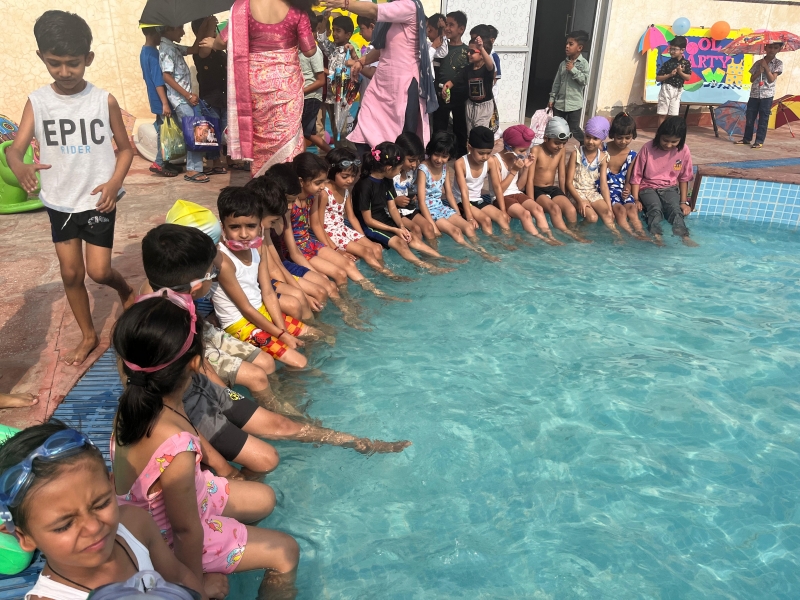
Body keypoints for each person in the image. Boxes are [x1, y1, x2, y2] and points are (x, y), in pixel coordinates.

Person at [111, 297, 300, 596]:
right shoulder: (177, 447)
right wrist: (196, 584)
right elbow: (185, 531)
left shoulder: (134, 403)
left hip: (176, 505)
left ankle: (229, 549)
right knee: (286, 551)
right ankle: (215, 561)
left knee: (265, 498)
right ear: (196, 362)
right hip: (166, 539)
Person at [7, 10, 135, 366]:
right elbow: (15, 149)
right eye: (54, 63)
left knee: (99, 271)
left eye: (73, 63)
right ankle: (89, 335)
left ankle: (125, 289)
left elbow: (125, 149)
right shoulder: (38, 101)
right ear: (41, 57)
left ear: (88, 58)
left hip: (98, 201)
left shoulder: (103, 100)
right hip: (60, 203)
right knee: (71, 273)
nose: (64, 72)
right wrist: (19, 165)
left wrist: (114, 183)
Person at [0, 421, 211, 600]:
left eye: (100, 504)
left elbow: (179, 576)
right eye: (64, 525)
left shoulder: (136, 525)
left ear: (112, 486)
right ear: (24, 537)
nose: (93, 527)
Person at [206, 0, 317, 176]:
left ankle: (261, 181)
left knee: (260, 137)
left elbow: (222, 42)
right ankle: (287, 181)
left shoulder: (243, 7)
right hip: (286, 84)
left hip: (255, 83)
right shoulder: (297, 8)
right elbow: (309, 50)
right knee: (287, 135)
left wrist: (213, 43)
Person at [213, 187, 320, 369]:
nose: (244, 234)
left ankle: (289, 370)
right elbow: (245, 308)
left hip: (260, 310)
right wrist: (281, 335)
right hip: (240, 323)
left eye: (251, 226)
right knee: (300, 363)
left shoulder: (259, 247)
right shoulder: (223, 259)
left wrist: (283, 331)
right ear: (223, 227)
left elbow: (268, 293)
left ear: (260, 226)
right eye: (235, 227)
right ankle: (285, 382)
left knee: (318, 336)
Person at [248, 167, 368, 328]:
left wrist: (314, 275)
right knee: (319, 291)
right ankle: (317, 325)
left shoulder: (279, 217)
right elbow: (275, 268)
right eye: (289, 201)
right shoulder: (265, 225)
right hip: (276, 271)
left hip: (284, 264)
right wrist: (302, 293)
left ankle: (346, 312)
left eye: (292, 201)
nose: (291, 206)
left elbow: (288, 256)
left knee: (328, 284)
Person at [323, 0, 439, 150]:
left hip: (402, 85)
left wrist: (344, 4)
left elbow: (373, 10)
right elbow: (383, 49)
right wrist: (361, 61)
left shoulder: (409, 6)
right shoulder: (392, 17)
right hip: (381, 84)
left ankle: (399, 164)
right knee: (366, 128)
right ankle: (375, 163)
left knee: (401, 138)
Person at [283, 156, 398, 298]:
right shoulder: (290, 205)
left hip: (309, 243)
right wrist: (334, 250)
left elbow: (316, 225)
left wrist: (334, 250)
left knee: (348, 266)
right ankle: (346, 306)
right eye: (318, 183)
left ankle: (377, 292)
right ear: (301, 181)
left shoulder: (312, 197)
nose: (322, 187)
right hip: (296, 249)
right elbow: (294, 245)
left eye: (323, 181)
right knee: (339, 274)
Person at [353, 142, 454, 273]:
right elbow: (368, 220)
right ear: (388, 168)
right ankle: (429, 268)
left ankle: (442, 258)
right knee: (400, 243)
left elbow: (392, 208)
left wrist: (401, 227)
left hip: (383, 218)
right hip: (370, 226)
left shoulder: (386, 179)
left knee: (411, 237)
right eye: (399, 168)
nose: (399, 172)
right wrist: (394, 229)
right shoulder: (365, 186)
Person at [417, 132, 499, 261]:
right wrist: (432, 225)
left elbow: (449, 194)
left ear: (449, 156)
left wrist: (458, 215)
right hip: (428, 210)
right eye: (436, 154)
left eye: (444, 156)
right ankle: (439, 258)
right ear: (430, 150)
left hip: (440, 207)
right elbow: (421, 201)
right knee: (455, 231)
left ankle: (482, 252)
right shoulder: (423, 169)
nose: (439, 159)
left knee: (468, 227)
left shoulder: (444, 167)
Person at [311, 148, 391, 274]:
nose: (350, 180)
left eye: (353, 176)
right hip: (331, 234)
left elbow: (352, 217)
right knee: (366, 251)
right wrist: (335, 250)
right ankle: (387, 274)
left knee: (376, 248)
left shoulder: (346, 191)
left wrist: (363, 238)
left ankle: (381, 274)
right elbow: (319, 226)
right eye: (345, 176)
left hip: (342, 230)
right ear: (331, 172)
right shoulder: (324, 193)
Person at [631, 116, 698, 247]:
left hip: (669, 187)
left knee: (675, 210)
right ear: (659, 135)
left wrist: (683, 202)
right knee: (655, 209)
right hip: (647, 187)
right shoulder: (648, 147)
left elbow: (684, 178)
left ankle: (684, 236)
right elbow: (636, 176)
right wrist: (636, 199)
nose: (668, 145)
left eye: (674, 142)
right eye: (665, 140)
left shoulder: (684, 150)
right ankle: (657, 237)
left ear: (681, 139)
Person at [489, 124, 561, 245]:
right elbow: (499, 190)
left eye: (526, 150)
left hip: (516, 193)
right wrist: (514, 171)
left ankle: (550, 236)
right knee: (525, 214)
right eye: (521, 150)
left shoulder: (517, 158)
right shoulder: (495, 161)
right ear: (508, 147)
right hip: (500, 197)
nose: (524, 153)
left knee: (538, 209)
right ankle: (541, 239)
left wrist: (526, 168)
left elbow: (519, 187)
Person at [159, 24, 208, 183]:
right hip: (181, 100)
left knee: (194, 132)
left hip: (185, 99)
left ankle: (195, 167)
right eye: (179, 28)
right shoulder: (166, 49)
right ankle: (193, 169)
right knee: (193, 133)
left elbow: (193, 49)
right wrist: (187, 95)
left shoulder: (173, 47)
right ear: (169, 29)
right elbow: (166, 76)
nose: (182, 32)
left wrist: (203, 27)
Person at [531, 117, 588, 242]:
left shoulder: (561, 151)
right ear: (546, 138)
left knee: (571, 209)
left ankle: (572, 232)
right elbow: (529, 180)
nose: (560, 146)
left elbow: (562, 175)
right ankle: (567, 234)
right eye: (557, 143)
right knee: (555, 209)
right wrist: (530, 201)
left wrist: (564, 194)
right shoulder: (536, 150)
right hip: (536, 190)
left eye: (564, 143)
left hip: (552, 188)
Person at [565, 116, 621, 240]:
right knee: (592, 218)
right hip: (577, 192)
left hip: (592, 192)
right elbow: (568, 183)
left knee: (608, 214)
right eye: (588, 137)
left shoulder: (603, 157)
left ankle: (618, 237)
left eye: (595, 138)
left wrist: (609, 207)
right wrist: (580, 201)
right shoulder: (576, 154)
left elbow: (604, 185)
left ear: (602, 140)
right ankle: (577, 231)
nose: (590, 141)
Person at [453, 127, 512, 238]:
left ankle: (508, 242)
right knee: (486, 220)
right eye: (481, 153)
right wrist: (470, 217)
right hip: (461, 201)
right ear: (469, 148)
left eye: (488, 153)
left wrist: (503, 210)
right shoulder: (460, 163)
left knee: (501, 217)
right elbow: (464, 192)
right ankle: (491, 245)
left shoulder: (490, 161)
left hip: (477, 199)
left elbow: (497, 187)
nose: (485, 157)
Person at [192, 16, 229, 174]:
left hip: (224, 96)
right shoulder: (199, 50)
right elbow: (204, 52)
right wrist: (209, 24)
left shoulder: (219, 50)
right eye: (211, 29)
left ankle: (229, 158)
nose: (214, 32)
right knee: (210, 129)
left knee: (226, 129)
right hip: (209, 98)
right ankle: (214, 161)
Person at [140, 25, 177, 178]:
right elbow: (158, 80)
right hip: (161, 99)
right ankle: (159, 162)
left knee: (163, 128)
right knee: (165, 132)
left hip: (155, 98)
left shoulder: (144, 51)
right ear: (154, 32)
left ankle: (165, 161)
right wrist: (165, 103)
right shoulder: (154, 54)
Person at [604, 112, 648, 239]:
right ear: (613, 134)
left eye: (627, 138)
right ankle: (630, 234)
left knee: (632, 209)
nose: (623, 141)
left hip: (621, 189)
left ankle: (641, 233)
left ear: (632, 136)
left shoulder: (632, 155)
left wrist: (627, 189)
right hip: (605, 188)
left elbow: (629, 179)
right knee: (620, 210)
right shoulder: (603, 149)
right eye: (619, 137)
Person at [432, 11, 470, 156]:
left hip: (460, 95)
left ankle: (460, 155)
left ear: (461, 29)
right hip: (441, 94)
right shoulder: (441, 47)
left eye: (451, 25)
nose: (447, 28)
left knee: (460, 127)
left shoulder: (466, 51)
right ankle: (439, 153)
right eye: (446, 25)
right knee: (440, 126)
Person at [315, 15, 358, 143]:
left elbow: (343, 74)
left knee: (340, 132)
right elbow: (321, 38)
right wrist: (324, 19)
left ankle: (347, 154)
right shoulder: (332, 48)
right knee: (333, 130)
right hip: (329, 96)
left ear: (348, 34)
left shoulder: (349, 51)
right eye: (333, 30)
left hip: (341, 98)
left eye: (338, 31)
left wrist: (323, 70)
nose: (334, 34)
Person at [736, 41, 784, 149]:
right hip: (754, 94)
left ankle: (759, 141)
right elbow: (751, 79)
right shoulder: (758, 62)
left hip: (767, 96)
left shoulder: (778, 63)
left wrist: (766, 67)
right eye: (770, 47)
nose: (772, 50)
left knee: (763, 119)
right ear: (765, 48)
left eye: (775, 48)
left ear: (779, 49)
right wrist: (759, 71)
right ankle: (746, 138)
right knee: (750, 117)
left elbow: (771, 79)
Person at [548, 30, 590, 143]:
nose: (567, 46)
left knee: (573, 129)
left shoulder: (583, 64)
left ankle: (585, 144)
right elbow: (557, 83)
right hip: (560, 104)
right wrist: (552, 98)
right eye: (566, 43)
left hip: (574, 105)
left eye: (571, 44)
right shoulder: (563, 64)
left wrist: (573, 70)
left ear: (579, 48)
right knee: (558, 127)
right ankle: (559, 147)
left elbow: (584, 81)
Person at [299, 13, 331, 154]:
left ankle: (301, 161)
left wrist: (301, 92)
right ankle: (334, 155)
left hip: (310, 98)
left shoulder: (314, 52)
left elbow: (321, 81)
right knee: (308, 133)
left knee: (301, 132)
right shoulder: (299, 50)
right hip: (304, 97)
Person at [462, 35, 495, 135]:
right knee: (471, 133)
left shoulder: (486, 69)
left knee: (480, 133)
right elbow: (457, 80)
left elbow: (490, 65)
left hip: (484, 107)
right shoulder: (468, 69)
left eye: (472, 52)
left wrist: (481, 48)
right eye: (468, 51)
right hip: (470, 105)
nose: (468, 54)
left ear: (482, 54)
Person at [656, 36, 692, 127]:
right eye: (670, 49)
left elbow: (688, 77)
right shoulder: (667, 63)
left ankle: (671, 132)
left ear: (682, 50)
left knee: (674, 115)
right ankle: (660, 132)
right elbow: (658, 78)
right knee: (662, 113)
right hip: (666, 89)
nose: (671, 51)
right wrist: (669, 75)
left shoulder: (686, 63)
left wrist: (680, 72)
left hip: (677, 91)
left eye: (674, 49)